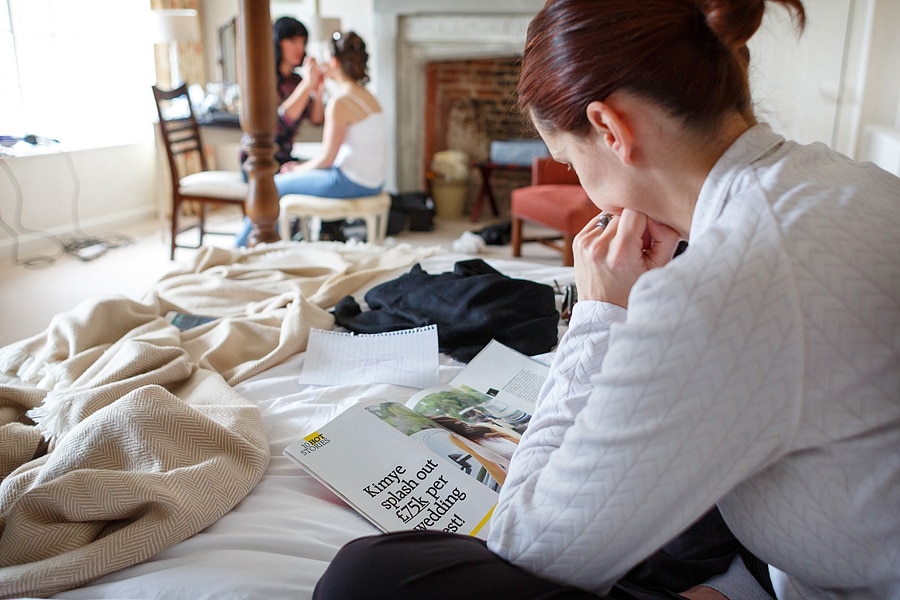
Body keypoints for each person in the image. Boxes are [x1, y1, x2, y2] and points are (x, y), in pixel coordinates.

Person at [313, 1, 900, 599]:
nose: (581, 186)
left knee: (367, 579)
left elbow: (526, 547)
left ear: (612, 129)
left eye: (570, 162)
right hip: (809, 551)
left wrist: (597, 314)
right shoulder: (857, 182)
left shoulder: (719, 287)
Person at [236, 30, 387, 246]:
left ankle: (242, 248)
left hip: (350, 181)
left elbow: (327, 159)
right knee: (285, 177)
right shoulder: (368, 96)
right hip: (372, 181)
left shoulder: (341, 101)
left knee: (274, 184)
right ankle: (268, 244)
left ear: (333, 62)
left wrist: (298, 169)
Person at [234, 16, 325, 247]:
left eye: (302, 41)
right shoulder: (263, 79)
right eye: (292, 40)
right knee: (277, 192)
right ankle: (244, 248)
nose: (299, 47)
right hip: (257, 159)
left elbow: (316, 119)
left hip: (283, 159)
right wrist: (307, 85)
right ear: (278, 42)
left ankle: (289, 241)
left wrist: (318, 91)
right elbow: (278, 124)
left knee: (314, 174)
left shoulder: (295, 80)